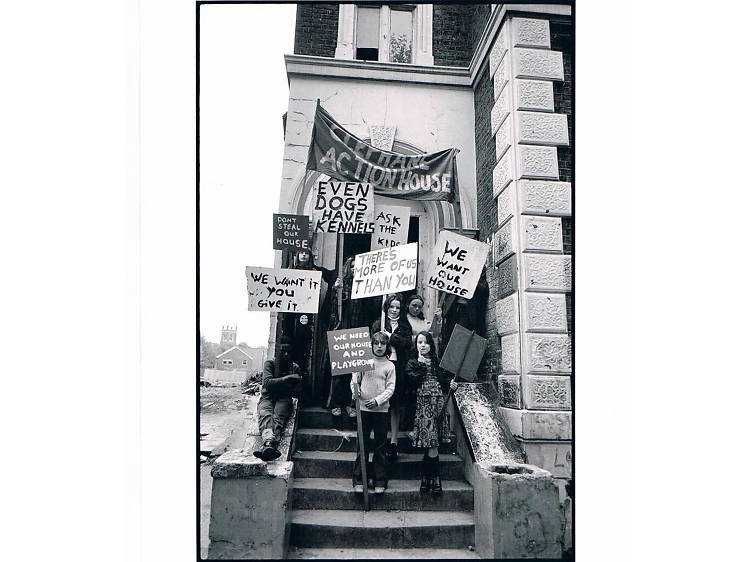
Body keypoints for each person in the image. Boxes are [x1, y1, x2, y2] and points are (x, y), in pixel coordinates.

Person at [406, 331, 458, 496]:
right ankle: (434, 477)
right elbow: (412, 380)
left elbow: (443, 382)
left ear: (431, 345)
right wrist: (421, 365)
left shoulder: (437, 362)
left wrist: (451, 385)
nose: (422, 345)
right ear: (416, 345)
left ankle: (427, 477)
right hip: (421, 406)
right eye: (419, 342)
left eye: (426, 342)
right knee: (431, 442)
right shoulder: (412, 362)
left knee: (433, 442)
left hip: (437, 404)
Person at [350, 331, 395, 494]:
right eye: (376, 343)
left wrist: (377, 401)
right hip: (363, 409)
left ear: (386, 346)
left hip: (381, 410)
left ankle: (379, 479)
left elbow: (390, 388)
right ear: (371, 345)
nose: (379, 347)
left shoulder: (390, 366)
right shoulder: (363, 361)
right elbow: (355, 381)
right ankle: (359, 479)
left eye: (382, 344)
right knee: (362, 444)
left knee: (380, 445)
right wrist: (355, 392)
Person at [370, 294, 412, 463]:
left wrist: (391, 337)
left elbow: (407, 343)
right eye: (391, 307)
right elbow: (373, 343)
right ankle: (380, 440)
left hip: (398, 367)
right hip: (380, 367)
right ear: (386, 307)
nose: (394, 310)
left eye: (397, 308)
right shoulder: (377, 323)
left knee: (395, 404)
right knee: (381, 404)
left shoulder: (404, 325)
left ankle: (394, 442)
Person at [253, 337, 303, 462]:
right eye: (283, 351)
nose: (286, 354)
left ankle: (269, 444)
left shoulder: (294, 367)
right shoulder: (270, 364)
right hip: (268, 397)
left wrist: (281, 383)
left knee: (279, 417)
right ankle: (270, 444)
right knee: (265, 414)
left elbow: (298, 392)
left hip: (284, 397)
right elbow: (267, 383)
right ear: (277, 352)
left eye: (288, 352)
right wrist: (287, 379)